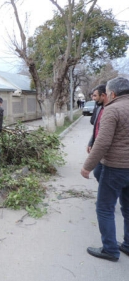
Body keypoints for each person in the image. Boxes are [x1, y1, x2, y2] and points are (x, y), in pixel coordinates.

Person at [81, 77, 129, 262]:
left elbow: (102, 142)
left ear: (113, 94)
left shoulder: (113, 109)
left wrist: (87, 166)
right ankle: (127, 245)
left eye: (108, 93)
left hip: (115, 168)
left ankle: (110, 249)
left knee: (104, 209)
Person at [86, 84, 107, 182]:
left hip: (106, 148)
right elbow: (96, 128)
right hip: (98, 145)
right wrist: (91, 142)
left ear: (103, 95)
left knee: (99, 172)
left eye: (95, 96)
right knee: (98, 172)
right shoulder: (99, 108)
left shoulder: (111, 110)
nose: (93, 98)